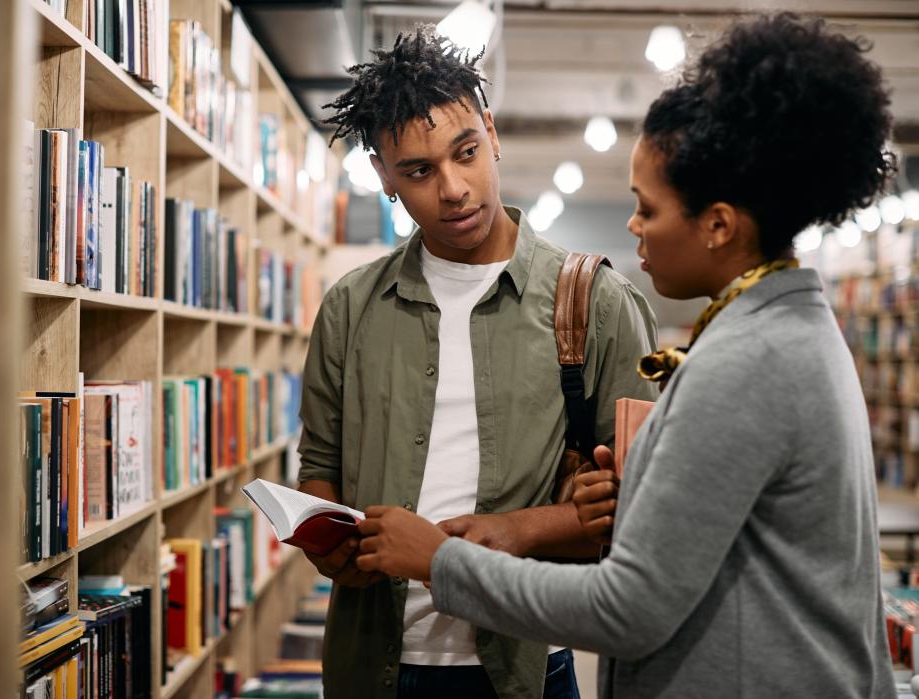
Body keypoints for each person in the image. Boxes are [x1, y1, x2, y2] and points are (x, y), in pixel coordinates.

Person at [355, 12, 898, 698]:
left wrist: (442, 561)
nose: (633, 226)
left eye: (648, 208)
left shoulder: (751, 359)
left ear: (719, 225)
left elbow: (628, 608)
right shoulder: (788, 327)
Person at [296, 25, 658, 699]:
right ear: (383, 176)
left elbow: (643, 503)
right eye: (419, 171)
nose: (454, 188)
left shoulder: (596, 301)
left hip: (523, 665)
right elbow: (319, 466)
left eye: (466, 153)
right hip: (370, 665)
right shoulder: (350, 307)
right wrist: (331, 543)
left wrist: (514, 531)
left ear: (491, 132)